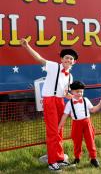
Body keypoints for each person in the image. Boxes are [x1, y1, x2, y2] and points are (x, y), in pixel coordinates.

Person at [20, 38, 78, 171]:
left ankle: (59, 157)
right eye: (66, 58)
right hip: (50, 100)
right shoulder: (54, 66)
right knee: (52, 131)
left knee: (59, 130)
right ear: (62, 59)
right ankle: (52, 162)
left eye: (71, 59)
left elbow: (65, 92)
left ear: (74, 62)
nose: (68, 60)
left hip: (60, 101)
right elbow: (39, 59)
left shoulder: (70, 76)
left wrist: (70, 96)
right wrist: (27, 46)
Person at [58, 81, 101, 167]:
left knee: (90, 140)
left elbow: (92, 110)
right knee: (77, 141)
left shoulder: (86, 100)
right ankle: (77, 158)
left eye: (81, 91)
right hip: (76, 124)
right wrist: (60, 125)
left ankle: (93, 158)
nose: (79, 93)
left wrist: (99, 105)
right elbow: (65, 115)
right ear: (72, 92)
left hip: (87, 122)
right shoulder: (69, 103)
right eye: (77, 91)